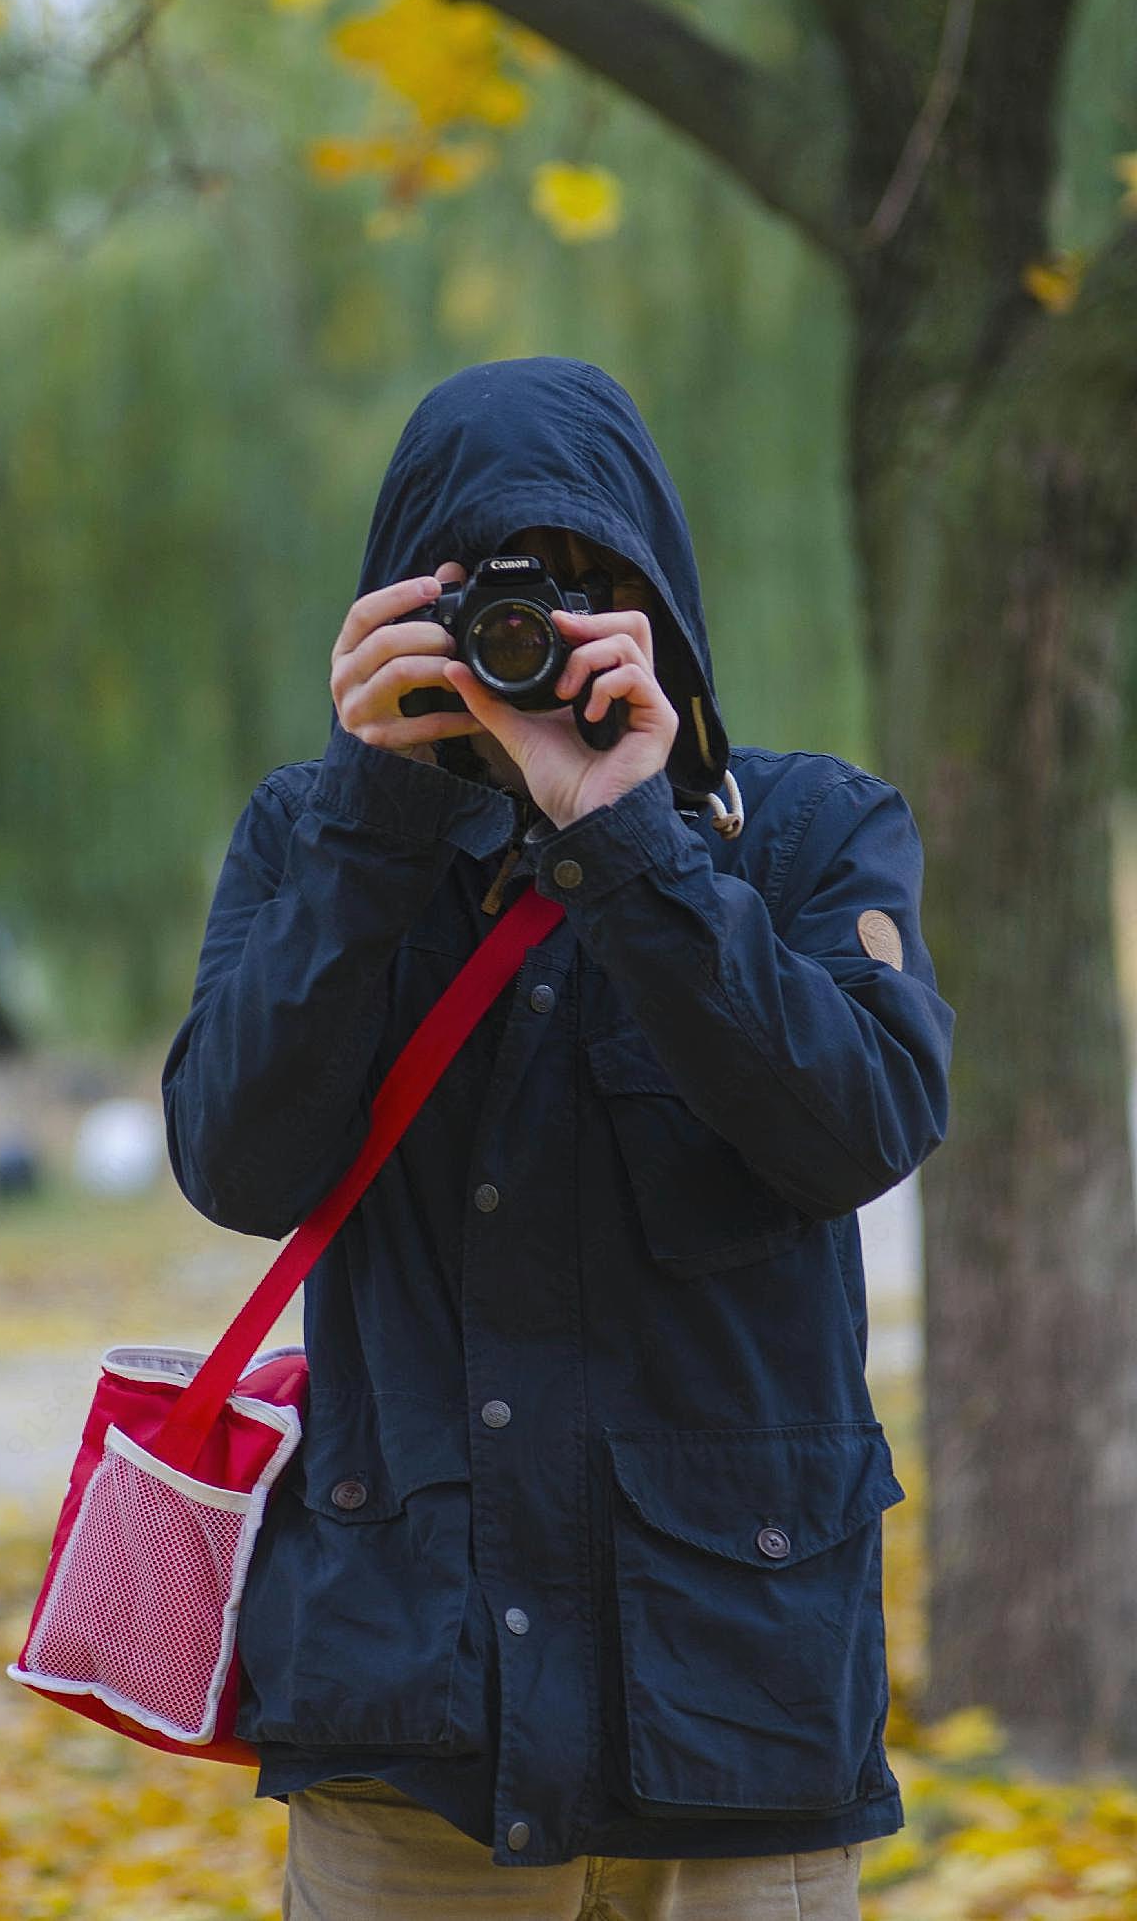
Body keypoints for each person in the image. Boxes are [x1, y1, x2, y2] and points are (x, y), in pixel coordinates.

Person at [161, 356, 955, 1920]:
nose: (534, 636)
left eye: (589, 589)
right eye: (480, 601)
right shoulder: (315, 837)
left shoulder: (806, 835)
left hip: (737, 1723)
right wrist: (373, 820)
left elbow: (860, 1129)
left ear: (661, 606)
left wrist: (634, 843)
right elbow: (233, 1164)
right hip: (416, 1731)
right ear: (397, 609)